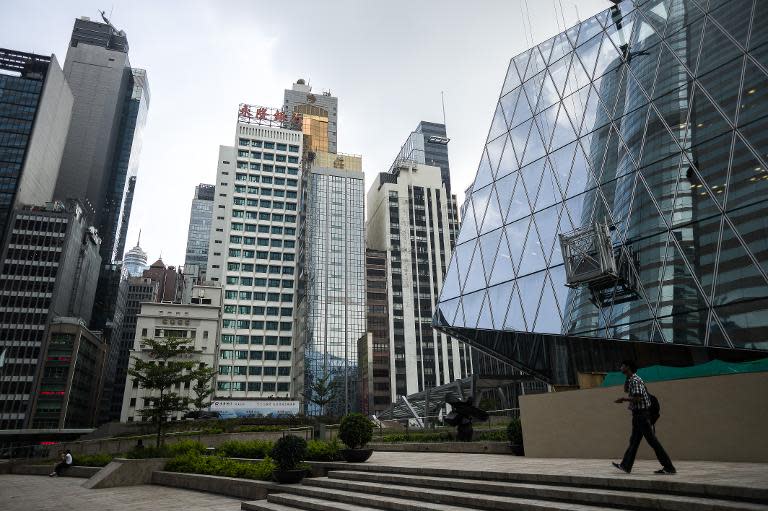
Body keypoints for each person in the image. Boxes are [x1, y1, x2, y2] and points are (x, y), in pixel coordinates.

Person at [612, 360, 676, 475]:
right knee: (634, 441)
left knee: (653, 442)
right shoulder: (631, 379)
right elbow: (626, 390)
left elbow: (638, 398)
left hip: (642, 415)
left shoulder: (636, 380)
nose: (620, 367)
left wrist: (623, 399)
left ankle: (669, 467)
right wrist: (627, 377)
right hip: (638, 415)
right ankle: (625, 465)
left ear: (628, 367)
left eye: (622, 366)